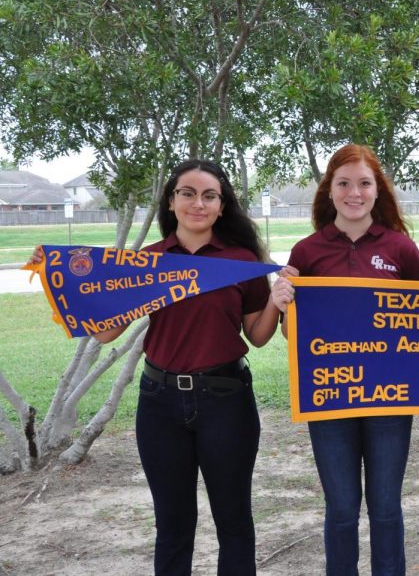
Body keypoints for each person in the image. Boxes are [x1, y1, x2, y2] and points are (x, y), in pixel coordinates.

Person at [31, 159, 283, 574]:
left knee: (234, 521)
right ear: (171, 201)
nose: (197, 203)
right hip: (160, 405)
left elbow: (256, 335)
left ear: (222, 206)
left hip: (227, 402)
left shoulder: (241, 262)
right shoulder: (149, 261)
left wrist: (275, 300)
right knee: (173, 524)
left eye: (209, 196)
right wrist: (69, 280)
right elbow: (107, 334)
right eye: (187, 193)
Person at [270, 143, 419, 576]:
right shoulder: (306, 252)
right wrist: (283, 304)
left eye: (364, 184)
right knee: (341, 510)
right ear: (330, 190)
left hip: (390, 401)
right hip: (330, 400)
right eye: (344, 184)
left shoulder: (401, 249)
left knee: (384, 509)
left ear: (378, 191)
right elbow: (292, 335)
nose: (354, 193)